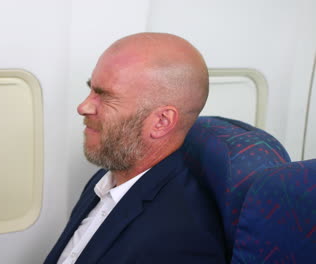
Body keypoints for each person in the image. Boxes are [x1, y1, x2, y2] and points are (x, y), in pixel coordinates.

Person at [44, 32, 226, 264]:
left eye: (105, 96)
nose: (83, 107)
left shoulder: (181, 239)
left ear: (161, 122)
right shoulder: (107, 178)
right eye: (91, 89)